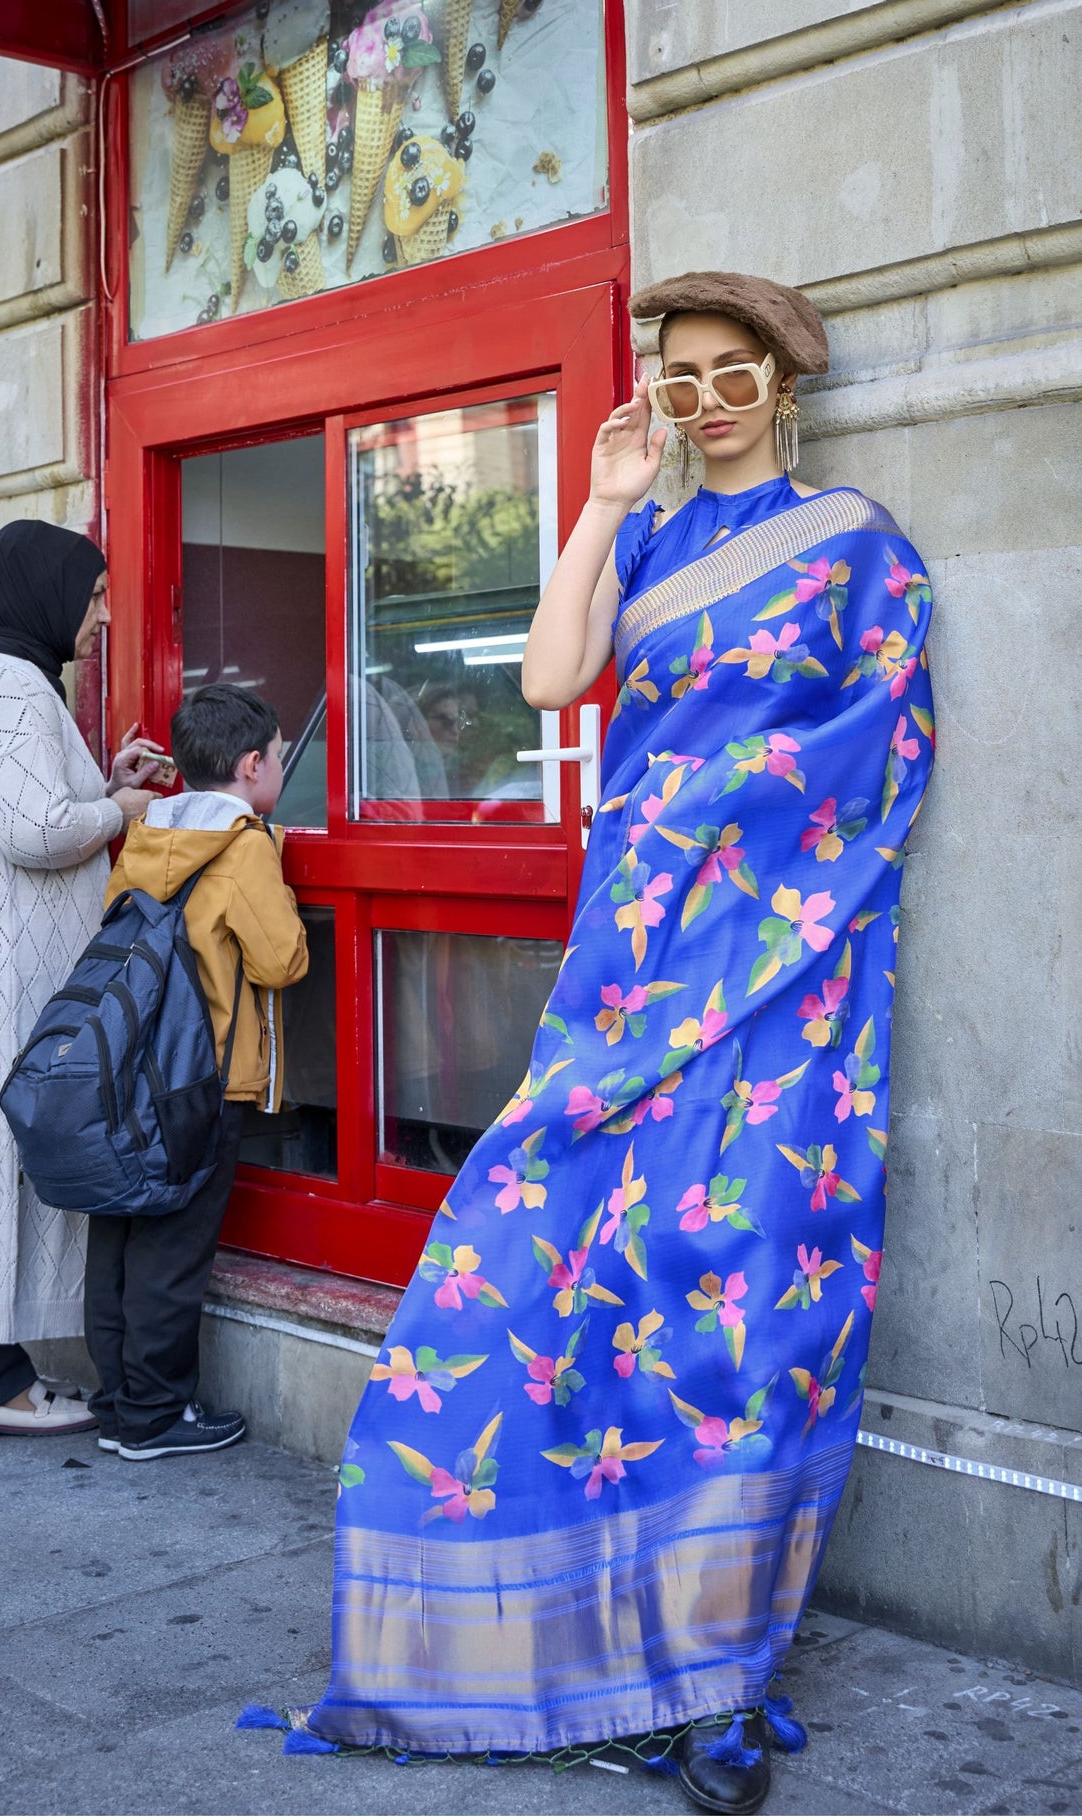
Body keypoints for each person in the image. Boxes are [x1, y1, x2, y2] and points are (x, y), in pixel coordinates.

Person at [283, 273, 935, 1816]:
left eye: (733, 375)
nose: (705, 401)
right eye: (682, 375)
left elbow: (881, 758)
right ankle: (529, 1635)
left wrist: (725, 822)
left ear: (786, 388)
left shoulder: (857, 549)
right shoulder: (646, 536)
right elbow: (550, 681)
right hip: (626, 975)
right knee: (552, 1270)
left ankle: (712, 1676)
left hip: (776, 990)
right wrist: (595, 502)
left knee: (746, 1300)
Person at [0, 520, 161, 1437]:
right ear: (45, 592)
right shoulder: (11, 685)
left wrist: (105, 776)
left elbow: (33, 800)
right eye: (91, 596)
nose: (100, 615)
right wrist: (121, 808)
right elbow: (36, 830)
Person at [85, 683, 309, 1462]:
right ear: (253, 765)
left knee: (118, 1234)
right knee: (175, 1249)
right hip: (203, 1077)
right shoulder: (245, 845)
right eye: (279, 757)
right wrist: (275, 864)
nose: (279, 767)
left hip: (133, 1072)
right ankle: (152, 1415)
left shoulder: (149, 832)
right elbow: (281, 960)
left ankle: (117, 1402)